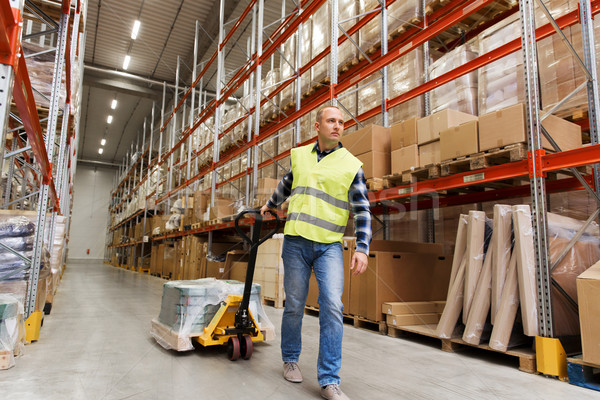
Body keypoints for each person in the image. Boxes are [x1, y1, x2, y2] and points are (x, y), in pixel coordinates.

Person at [260, 105, 371, 400]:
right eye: (331, 121)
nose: (337, 126)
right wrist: (270, 205)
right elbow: (286, 184)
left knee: (332, 306)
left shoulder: (351, 164)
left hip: (329, 245)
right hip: (296, 242)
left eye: (341, 122)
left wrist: (362, 246)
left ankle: (329, 380)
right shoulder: (300, 157)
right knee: (295, 304)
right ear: (317, 126)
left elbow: (362, 209)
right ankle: (290, 359)